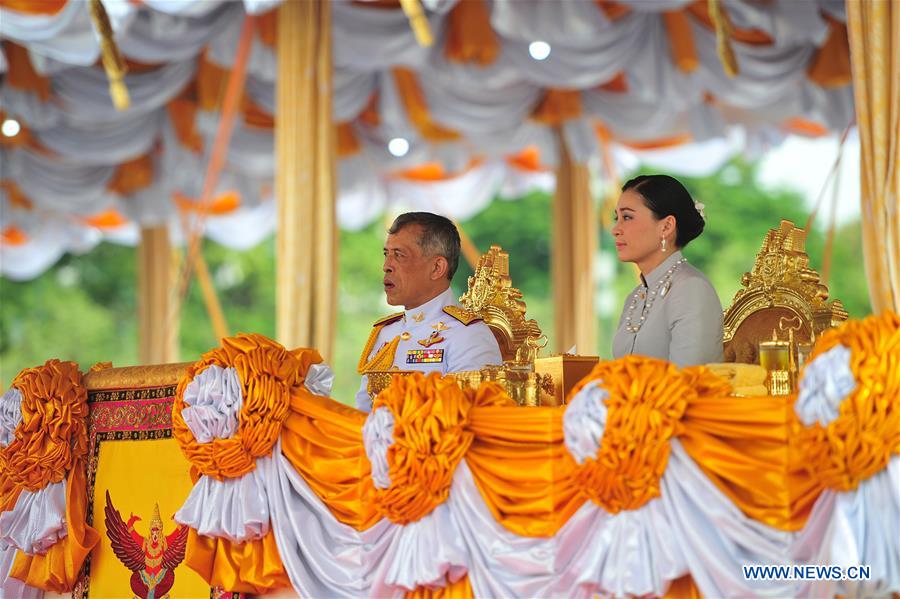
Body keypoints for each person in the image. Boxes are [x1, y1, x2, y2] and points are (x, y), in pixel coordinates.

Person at [355, 212, 503, 411]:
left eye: (399, 255)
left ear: (436, 268)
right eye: (386, 254)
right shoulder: (385, 333)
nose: (386, 266)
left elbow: (465, 422)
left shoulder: (469, 335)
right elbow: (362, 414)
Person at [611, 174, 724, 366]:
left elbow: (687, 381)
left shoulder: (691, 289)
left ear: (666, 226)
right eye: (617, 217)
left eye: (627, 217)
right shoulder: (635, 297)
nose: (616, 229)